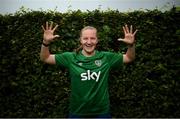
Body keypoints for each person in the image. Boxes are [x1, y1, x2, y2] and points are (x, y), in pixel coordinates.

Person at [40, 22, 137, 118]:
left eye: (92, 38)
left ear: (97, 40)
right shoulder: (70, 58)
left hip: (102, 112)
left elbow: (129, 57)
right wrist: (46, 43)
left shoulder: (106, 57)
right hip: (77, 112)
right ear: (80, 40)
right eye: (85, 38)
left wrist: (131, 45)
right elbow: (45, 58)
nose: (89, 42)